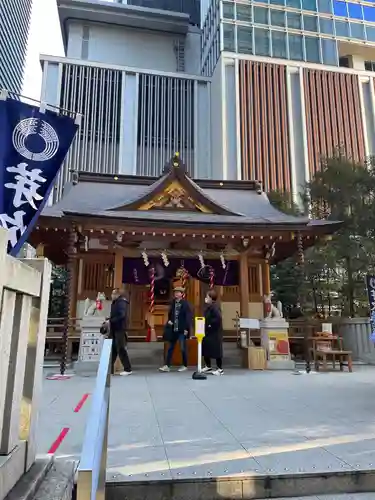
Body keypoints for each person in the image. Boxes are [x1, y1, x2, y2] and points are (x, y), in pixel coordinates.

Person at [159, 286, 192, 372]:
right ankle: (167, 365)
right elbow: (170, 314)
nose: (176, 294)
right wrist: (169, 321)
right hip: (173, 328)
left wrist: (186, 329)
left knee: (182, 347)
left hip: (182, 329)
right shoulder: (172, 303)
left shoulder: (185, 304)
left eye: (178, 292)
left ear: (182, 294)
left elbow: (188, 317)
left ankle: (184, 365)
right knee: (170, 347)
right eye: (175, 292)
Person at [108, 288, 132, 376]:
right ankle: (109, 369)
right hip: (114, 328)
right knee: (113, 349)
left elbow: (122, 315)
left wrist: (111, 321)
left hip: (120, 328)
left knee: (121, 348)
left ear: (117, 295)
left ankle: (127, 368)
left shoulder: (121, 302)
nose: (111, 296)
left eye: (113, 294)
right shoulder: (115, 302)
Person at [202, 289, 224, 376]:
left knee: (216, 350)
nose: (206, 298)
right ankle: (208, 366)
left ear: (211, 298)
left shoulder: (215, 307)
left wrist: (210, 325)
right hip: (208, 332)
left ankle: (220, 368)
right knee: (206, 348)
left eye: (207, 297)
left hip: (214, 333)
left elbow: (218, 318)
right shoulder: (209, 306)